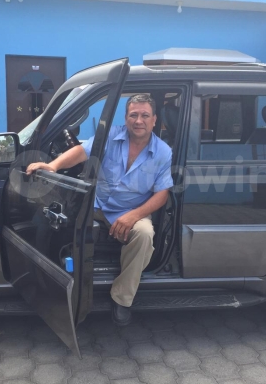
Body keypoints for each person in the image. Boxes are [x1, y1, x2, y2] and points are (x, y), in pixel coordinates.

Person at [26, 94, 173, 326]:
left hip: (132, 210)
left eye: (145, 115)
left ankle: (122, 298)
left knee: (145, 235)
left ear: (154, 120)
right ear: (126, 118)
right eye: (133, 115)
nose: (139, 120)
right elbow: (82, 152)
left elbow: (162, 194)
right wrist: (53, 166)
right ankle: (48, 282)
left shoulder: (163, 152)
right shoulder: (111, 135)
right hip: (97, 204)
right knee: (48, 217)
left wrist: (133, 216)